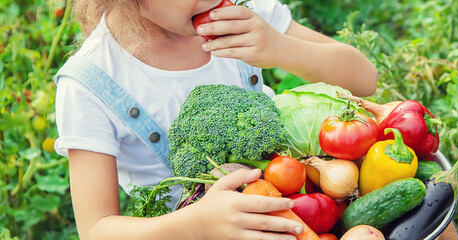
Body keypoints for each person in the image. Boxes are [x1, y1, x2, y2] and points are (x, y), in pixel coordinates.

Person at [53, 0, 378, 239]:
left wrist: (280, 47)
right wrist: (195, 223)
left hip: (308, 202)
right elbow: (96, 229)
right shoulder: (91, 82)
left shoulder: (246, 11)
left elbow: (365, 80)